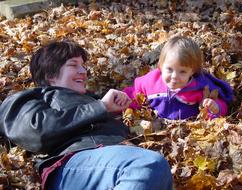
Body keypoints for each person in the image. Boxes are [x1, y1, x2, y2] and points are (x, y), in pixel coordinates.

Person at [0, 41, 173, 190]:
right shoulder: (33, 96)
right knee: (147, 165)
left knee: (160, 171)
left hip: (112, 162)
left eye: (83, 65)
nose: (83, 71)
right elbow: (36, 131)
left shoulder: (93, 100)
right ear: (50, 75)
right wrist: (100, 107)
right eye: (73, 65)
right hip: (71, 165)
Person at [124, 36, 234, 120]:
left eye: (182, 71)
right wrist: (123, 102)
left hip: (185, 129)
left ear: (192, 71)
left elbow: (219, 106)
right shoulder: (151, 82)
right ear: (161, 66)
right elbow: (134, 94)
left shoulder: (199, 88)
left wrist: (215, 109)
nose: (174, 76)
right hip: (155, 123)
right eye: (169, 69)